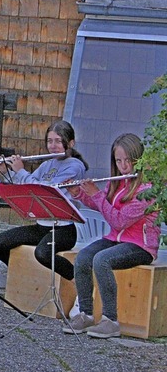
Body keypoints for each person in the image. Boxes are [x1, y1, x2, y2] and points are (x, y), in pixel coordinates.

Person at [63, 133, 160, 338]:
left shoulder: (147, 190)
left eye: (128, 160)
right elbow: (103, 207)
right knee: (82, 258)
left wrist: (95, 194)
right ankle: (86, 314)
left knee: (101, 260)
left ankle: (110, 320)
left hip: (141, 246)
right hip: (115, 239)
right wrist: (79, 194)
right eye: (118, 160)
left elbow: (119, 220)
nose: (124, 166)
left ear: (138, 159)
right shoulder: (117, 183)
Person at [0, 120, 88, 281]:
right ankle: (25, 278)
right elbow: (27, 186)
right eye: (49, 141)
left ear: (71, 143)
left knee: (43, 253)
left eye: (58, 141)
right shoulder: (47, 164)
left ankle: (80, 280)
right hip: (42, 227)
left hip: (63, 230)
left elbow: (47, 189)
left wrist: (20, 170)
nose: (53, 146)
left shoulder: (75, 166)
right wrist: (7, 171)